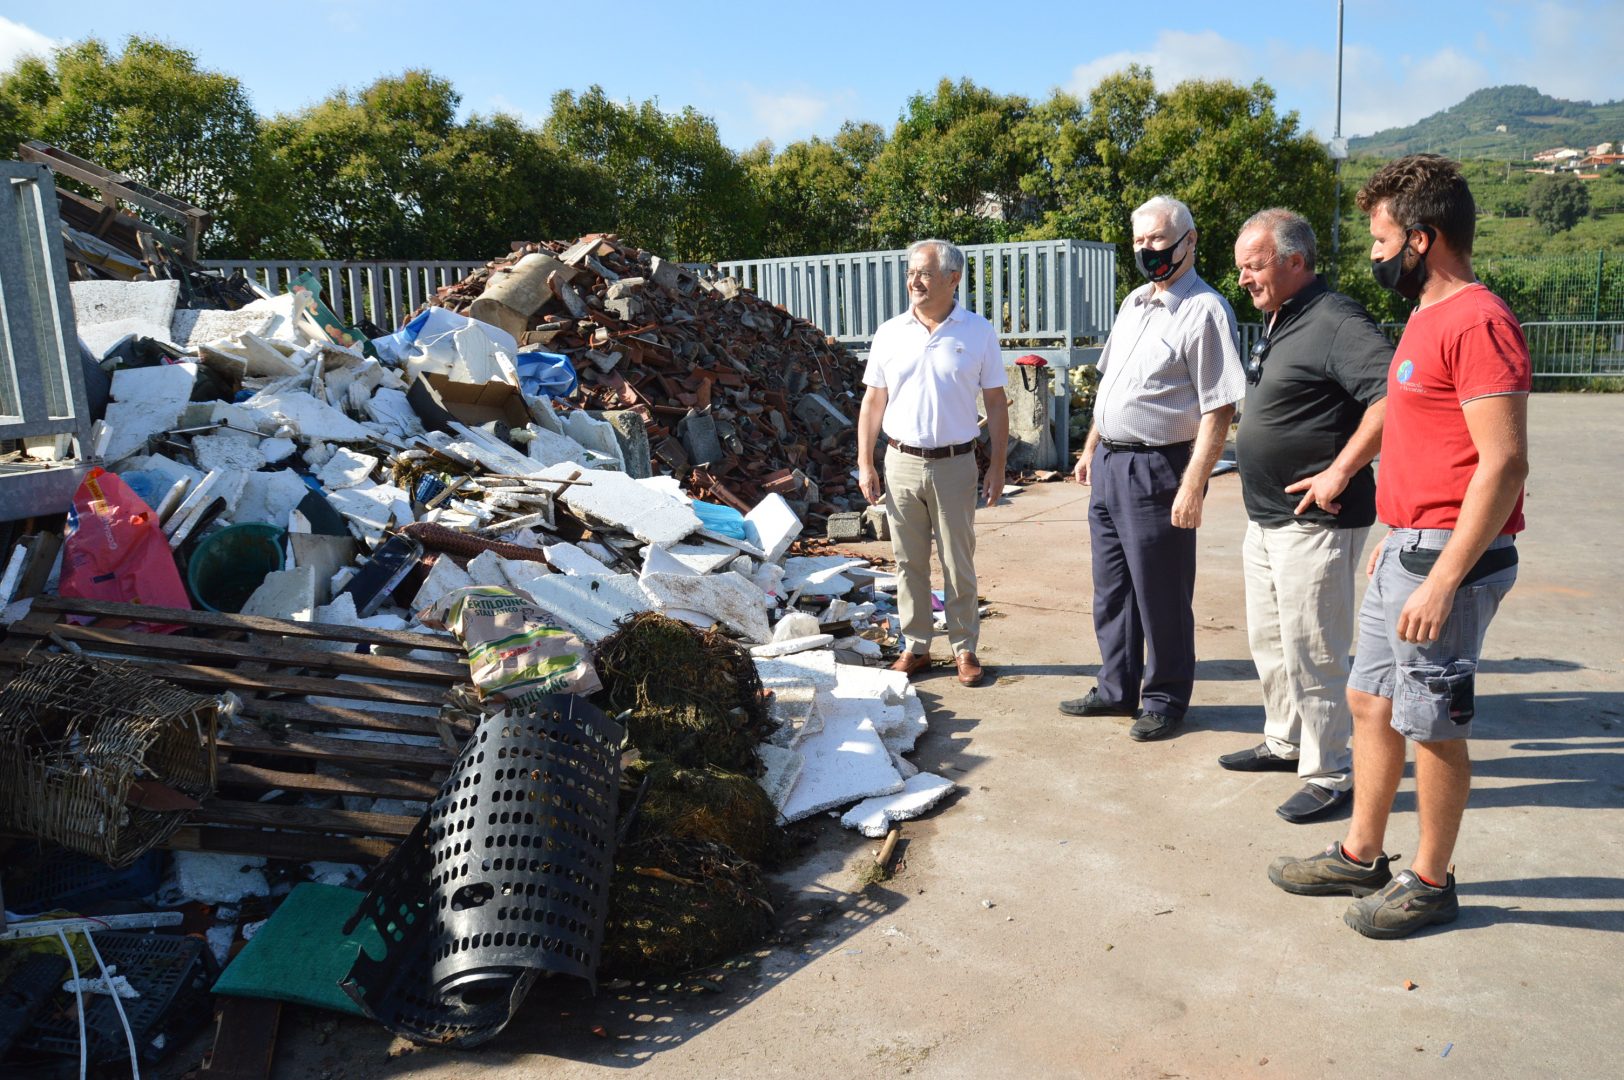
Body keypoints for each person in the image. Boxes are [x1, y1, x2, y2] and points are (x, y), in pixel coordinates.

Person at [1269, 154, 1530, 939]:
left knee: (1433, 724)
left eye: (1383, 240)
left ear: (1423, 239)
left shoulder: (1479, 322)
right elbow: (1411, 426)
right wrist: (1384, 514)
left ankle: (1431, 881)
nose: (1375, 254)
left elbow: (1504, 463)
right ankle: (1361, 854)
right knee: (1370, 701)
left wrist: (1444, 577)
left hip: (1452, 561)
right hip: (1410, 546)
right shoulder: (1424, 316)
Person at [1223, 209, 1392, 823]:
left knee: (1316, 649)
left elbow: (1393, 398)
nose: (1243, 278)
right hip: (1267, 518)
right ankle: (1285, 739)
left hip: (1317, 522)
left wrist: (1339, 471)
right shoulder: (1281, 318)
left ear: (1296, 261)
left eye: (1254, 265)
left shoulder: (1336, 320)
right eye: (1241, 267)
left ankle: (1329, 772)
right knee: (1272, 643)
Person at [1061, 196, 1246, 740]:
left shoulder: (1206, 310)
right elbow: (1112, 386)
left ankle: (1165, 698)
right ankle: (1116, 688)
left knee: (1161, 594)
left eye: (1158, 240)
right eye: (1139, 241)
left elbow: (1219, 408)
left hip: (1159, 468)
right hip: (1110, 463)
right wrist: (1090, 448)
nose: (1148, 250)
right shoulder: (1134, 303)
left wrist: (1193, 485)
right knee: (1112, 590)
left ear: (1190, 240)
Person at [857, 239, 1009, 687]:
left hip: (955, 464)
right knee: (908, 562)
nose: (914, 281)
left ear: (953, 278)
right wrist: (865, 462)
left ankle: (964, 648)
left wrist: (998, 466)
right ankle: (916, 646)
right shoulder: (890, 332)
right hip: (900, 462)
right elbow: (873, 401)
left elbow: (996, 403)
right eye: (910, 273)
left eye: (924, 273)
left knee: (958, 560)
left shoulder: (977, 332)